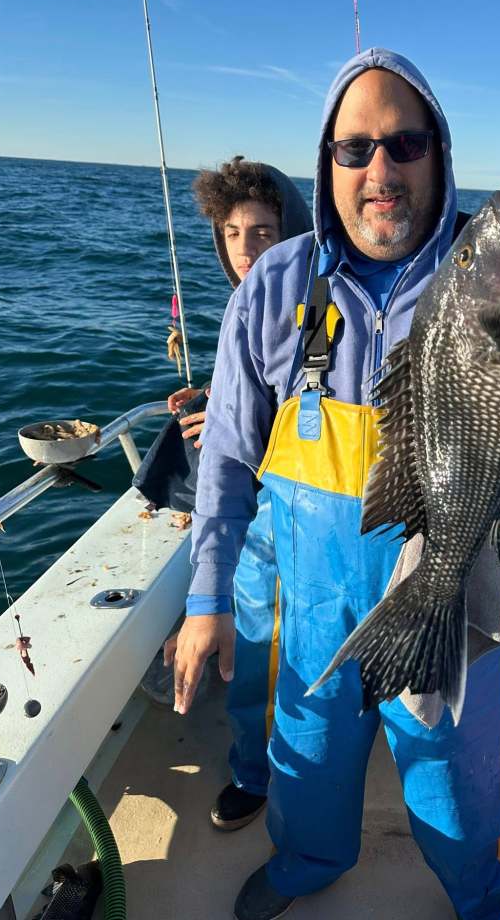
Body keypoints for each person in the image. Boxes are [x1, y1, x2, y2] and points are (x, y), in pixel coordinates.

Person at [173, 48, 500, 920]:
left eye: (405, 143)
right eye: (354, 150)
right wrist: (207, 600)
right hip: (312, 597)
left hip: (457, 579)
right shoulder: (276, 283)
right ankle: (308, 861)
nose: (379, 169)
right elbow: (229, 458)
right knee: (306, 753)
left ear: (439, 154)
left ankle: (484, 891)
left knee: (460, 771)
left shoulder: (492, 272)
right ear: (327, 164)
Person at [143, 157, 312, 832]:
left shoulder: (317, 302)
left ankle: (280, 775)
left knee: (281, 655)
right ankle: (254, 768)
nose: (246, 249)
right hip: (256, 512)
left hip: (299, 509)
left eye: (264, 231)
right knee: (256, 656)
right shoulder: (244, 306)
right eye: (233, 233)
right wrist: (221, 402)